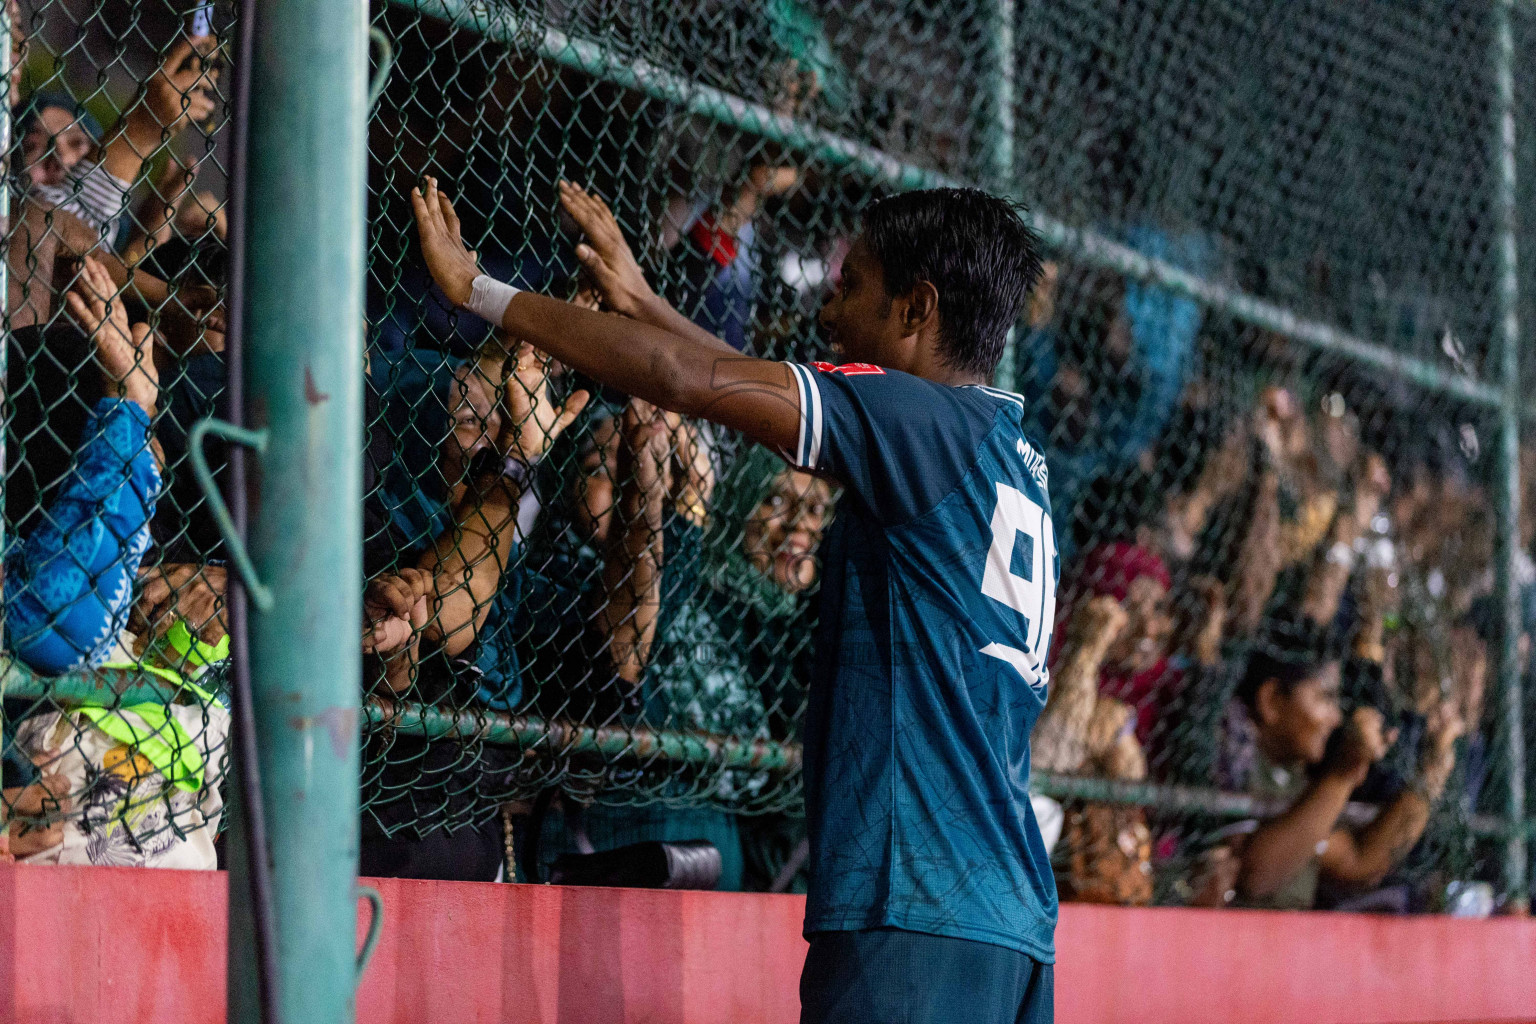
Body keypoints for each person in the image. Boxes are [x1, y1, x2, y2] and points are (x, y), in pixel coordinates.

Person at [413, 175, 1055, 1022]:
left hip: (914, 904)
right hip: (1009, 918)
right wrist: (640, 299)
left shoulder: (916, 421)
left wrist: (482, 291)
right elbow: (736, 381)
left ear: (916, 309)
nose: (831, 315)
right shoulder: (1005, 451)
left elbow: (694, 379)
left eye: (852, 289)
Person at [1208, 641, 1462, 911]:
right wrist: (1343, 772)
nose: (1336, 718)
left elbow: (1359, 862)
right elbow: (1258, 877)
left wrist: (1431, 773)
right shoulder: (1232, 759)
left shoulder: (1295, 778)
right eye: (1324, 697)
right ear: (1271, 700)